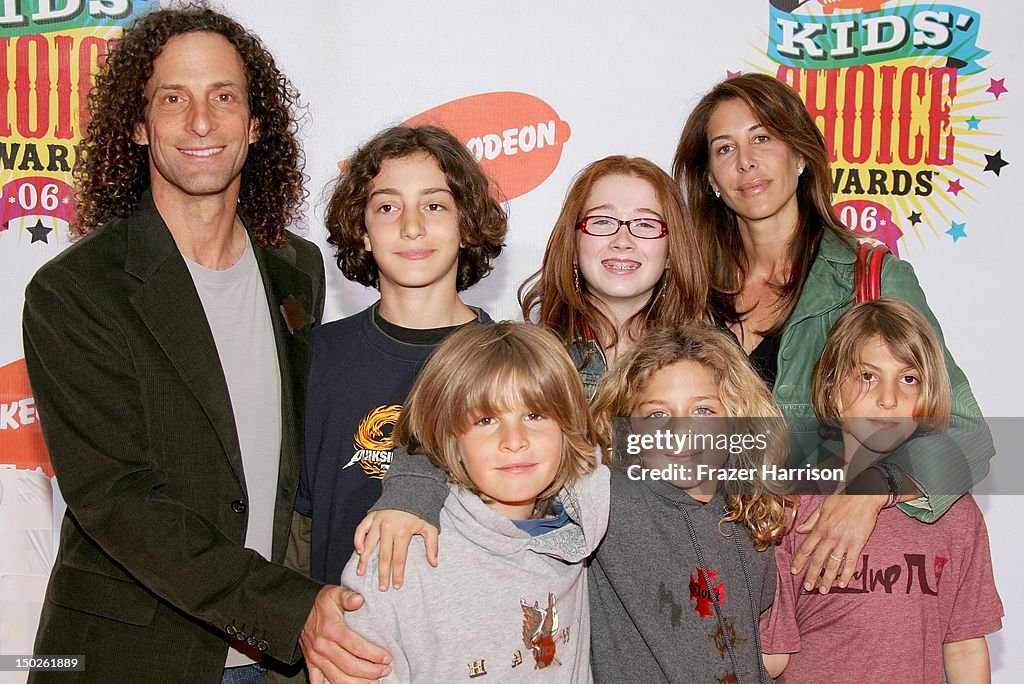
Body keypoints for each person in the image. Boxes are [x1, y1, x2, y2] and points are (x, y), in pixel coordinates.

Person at [21, 6, 359, 683]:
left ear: (256, 123)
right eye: (174, 98)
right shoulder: (76, 290)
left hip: (275, 663)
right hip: (133, 658)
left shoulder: (297, 267)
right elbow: (120, 500)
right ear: (140, 126)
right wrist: (291, 609)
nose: (201, 123)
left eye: (223, 97)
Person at [671, 72, 993, 593]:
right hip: (709, 580)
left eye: (762, 138)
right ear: (710, 177)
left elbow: (965, 431)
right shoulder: (685, 295)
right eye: (724, 148)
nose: (745, 161)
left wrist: (874, 487)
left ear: (800, 156)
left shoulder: (873, 279)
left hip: (823, 582)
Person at [359, 324, 790, 683]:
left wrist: (859, 501)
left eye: (703, 410)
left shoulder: (750, 510)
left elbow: (848, 457)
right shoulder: (610, 500)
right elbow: (454, 430)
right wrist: (410, 491)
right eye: (656, 415)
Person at [296, 125, 506, 587]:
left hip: (475, 645)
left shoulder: (511, 365)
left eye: (434, 205)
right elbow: (297, 529)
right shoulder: (315, 360)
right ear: (362, 232)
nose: (412, 227)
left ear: (466, 224)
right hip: (346, 640)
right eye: (388, 207)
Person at [341, 322, 608, 682]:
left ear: (567, 427)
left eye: (535, 415)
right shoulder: (397, 558)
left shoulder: (583, 525)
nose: (514, 440)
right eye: (486, 420)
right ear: (451, 435)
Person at [762, 298, 1003, 682]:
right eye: (867, 376)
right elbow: (771, 657)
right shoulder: (789, 505)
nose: (888, 399)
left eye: (909, 379)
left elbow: (965, 647)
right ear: (832, 388)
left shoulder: (956, 513)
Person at [518, 155, 708, 397]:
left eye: (645, 224)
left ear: (671, 253)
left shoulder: (713, 363)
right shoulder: (531, 361)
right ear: (573, 248)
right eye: (602, 221)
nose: (622, 241)